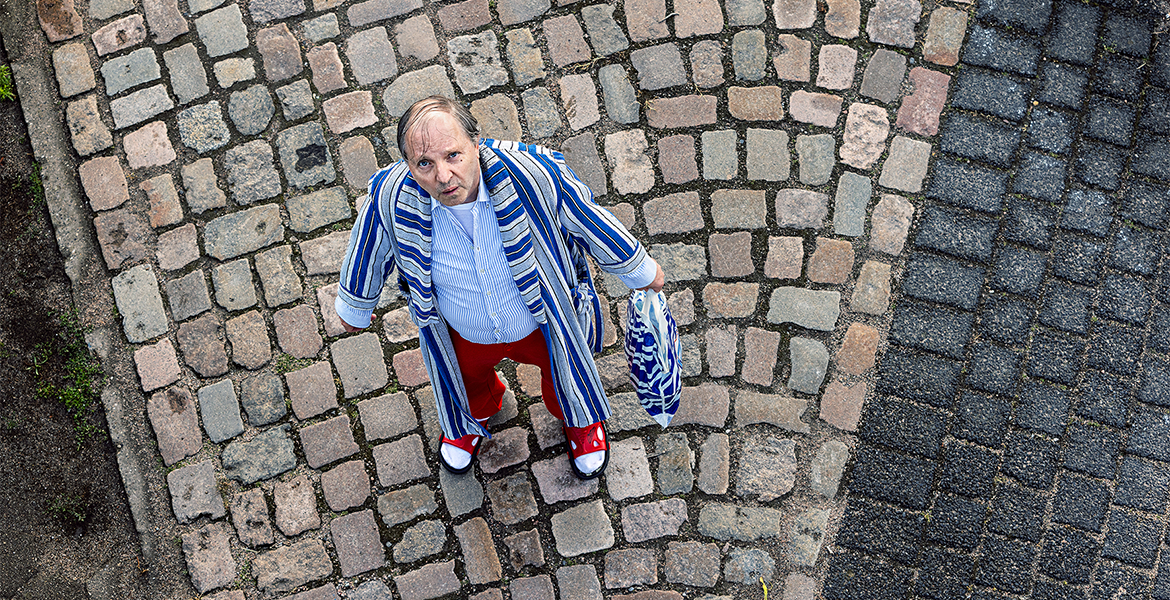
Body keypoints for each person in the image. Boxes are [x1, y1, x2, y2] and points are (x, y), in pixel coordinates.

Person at [336, 96, 664, 480]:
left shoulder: (535, 172)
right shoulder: (390, 197)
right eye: (424, 163)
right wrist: (355, 306)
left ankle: (577, 419)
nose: (443, 176)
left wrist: (640, 270)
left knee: (564, 374)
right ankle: (472, 415)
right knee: (466, 380)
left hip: (541, 321)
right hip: (464, 330)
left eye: (453, 156)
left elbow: (588, 218)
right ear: (407, 164)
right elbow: (368, 247)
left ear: (476, 143)